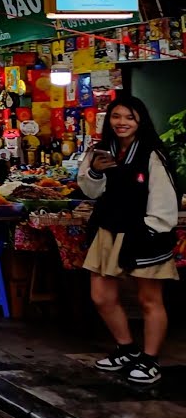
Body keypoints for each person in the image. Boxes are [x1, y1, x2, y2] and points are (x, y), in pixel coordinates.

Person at [79, 95, 180, 385]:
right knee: (101, 296)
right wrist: (96, 171)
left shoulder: (152, 153)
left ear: (140, 122)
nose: (122, 123)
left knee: (149, 299)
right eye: (116, 116)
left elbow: (163, 196)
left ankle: (150, 360)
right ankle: (127, 348)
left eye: (129, 118)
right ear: (109, 120)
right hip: (108, 229)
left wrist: (154, 229)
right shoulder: (101, 150)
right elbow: (90, 191)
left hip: (145, 231)